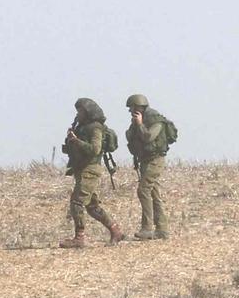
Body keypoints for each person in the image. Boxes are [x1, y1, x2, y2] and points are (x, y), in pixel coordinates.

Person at [61, 98, 126, 246]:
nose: (78, 114)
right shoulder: (81, 126)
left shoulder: (95, 128)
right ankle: (116, 231)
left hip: (90, 169)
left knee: (77, 202)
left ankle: (79, 238)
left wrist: (77, 141)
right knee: (92, 206)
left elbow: (95, 149)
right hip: (82, 168)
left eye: (81, 111)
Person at [124, 93, 179, 237]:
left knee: (143, 190)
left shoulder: (155, 120)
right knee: (154, 193)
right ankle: (162, 229)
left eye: (132, 108)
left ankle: (147, 228)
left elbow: (148, 137)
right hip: (145, 160)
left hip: (155, 160)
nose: (130, 111)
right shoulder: (137, 121)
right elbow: (129, 135)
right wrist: (136, 125)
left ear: (139, 107)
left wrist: (140, 124)